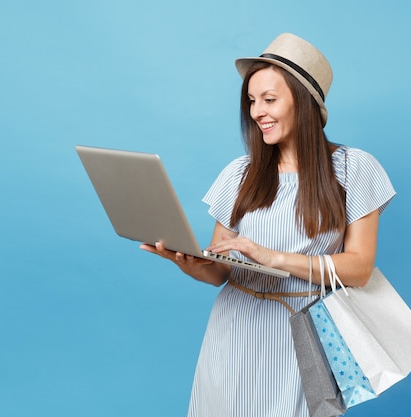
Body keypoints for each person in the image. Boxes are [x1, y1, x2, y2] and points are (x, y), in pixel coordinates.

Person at [140, 33, 396, 417]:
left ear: (304, 102)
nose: (257, 111)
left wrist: (273, 257)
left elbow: (359, 268)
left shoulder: (353, 169)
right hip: (234, 329)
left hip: (304, 336)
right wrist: (190, 263)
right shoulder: (240, 173)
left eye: (269, 100)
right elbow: (220, 272)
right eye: (252, 100)